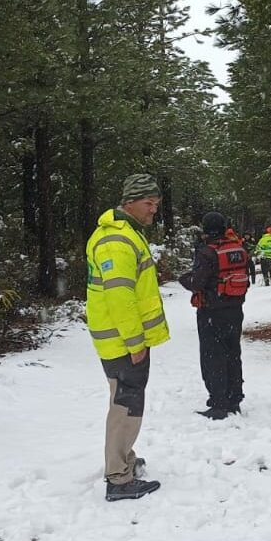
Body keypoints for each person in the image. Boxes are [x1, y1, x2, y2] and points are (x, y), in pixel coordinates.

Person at [85, 173, 170, 502]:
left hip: (120, 338)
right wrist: (135, 341)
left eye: (156, 203)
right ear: (130, 203)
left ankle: (124, 460)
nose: (153, 210)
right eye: (149, 203)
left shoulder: (124, 234)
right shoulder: (117, 241)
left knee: (126, 401)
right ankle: (119, 478)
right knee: (126, 405)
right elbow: (120, 297)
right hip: (122, 341)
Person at [179, 211, 249, 419]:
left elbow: (197, 283)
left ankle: (219, 403)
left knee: (213, 357)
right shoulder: (239, 249)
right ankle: (234, 398)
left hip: (212, 311)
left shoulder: (207, 252)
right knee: (233, 354)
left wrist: (184, 279)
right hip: (235, 310)